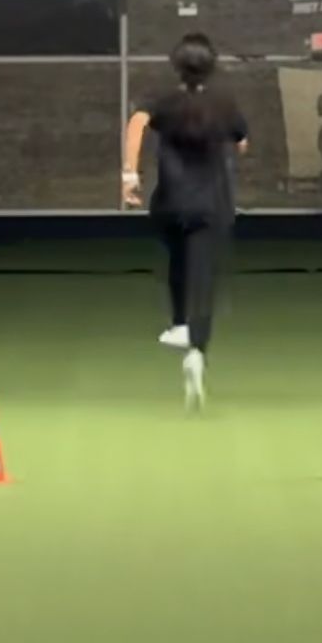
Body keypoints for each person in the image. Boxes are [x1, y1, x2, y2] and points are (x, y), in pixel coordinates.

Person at [122, 33, 248, 409]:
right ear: (212, 65)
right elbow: (242, 142)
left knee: (178, 261)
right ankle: (197, 351)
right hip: (212, 204)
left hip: (171, 201)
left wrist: (130, 174)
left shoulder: (165, 101)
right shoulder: (223, 104)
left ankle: (179, 323)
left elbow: (137, 123)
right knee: (203, 277)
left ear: (177, 65)